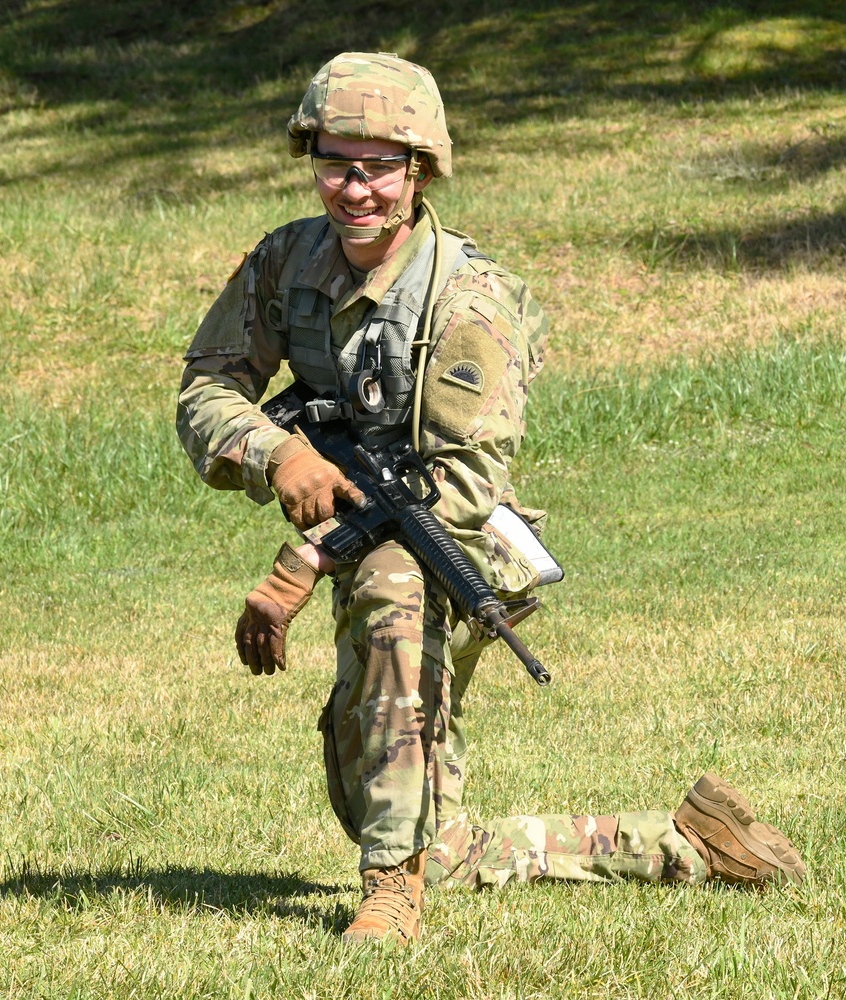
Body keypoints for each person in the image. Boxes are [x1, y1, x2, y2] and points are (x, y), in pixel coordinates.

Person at [177, 51, 806, 947]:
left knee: (392, 591)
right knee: (410, 819)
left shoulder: (469, 299)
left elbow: (462, 484)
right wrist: (275, 454)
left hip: (462, 545)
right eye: (333, 163)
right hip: (372, 522)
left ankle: (390, 893)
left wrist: (307, 558)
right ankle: (687, 844)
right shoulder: (287, 261)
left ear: (420, 170)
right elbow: (206, 388)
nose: (354, 189)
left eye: (378, 167)